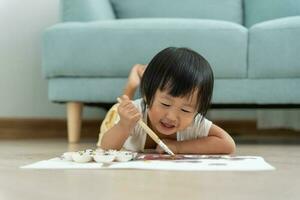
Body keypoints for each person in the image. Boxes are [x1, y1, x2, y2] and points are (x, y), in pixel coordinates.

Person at [97, 47, 236, 154]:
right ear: (147, 96)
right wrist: (124, 125)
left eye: (185, 110)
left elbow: (228, 144)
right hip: (121, 116)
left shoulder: (193, 122)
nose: (171, 116)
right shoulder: (135, 113)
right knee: (123, 103)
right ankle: (132, 84)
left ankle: (142, 75)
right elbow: (105, 148)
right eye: (165, 104)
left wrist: (179, 146)